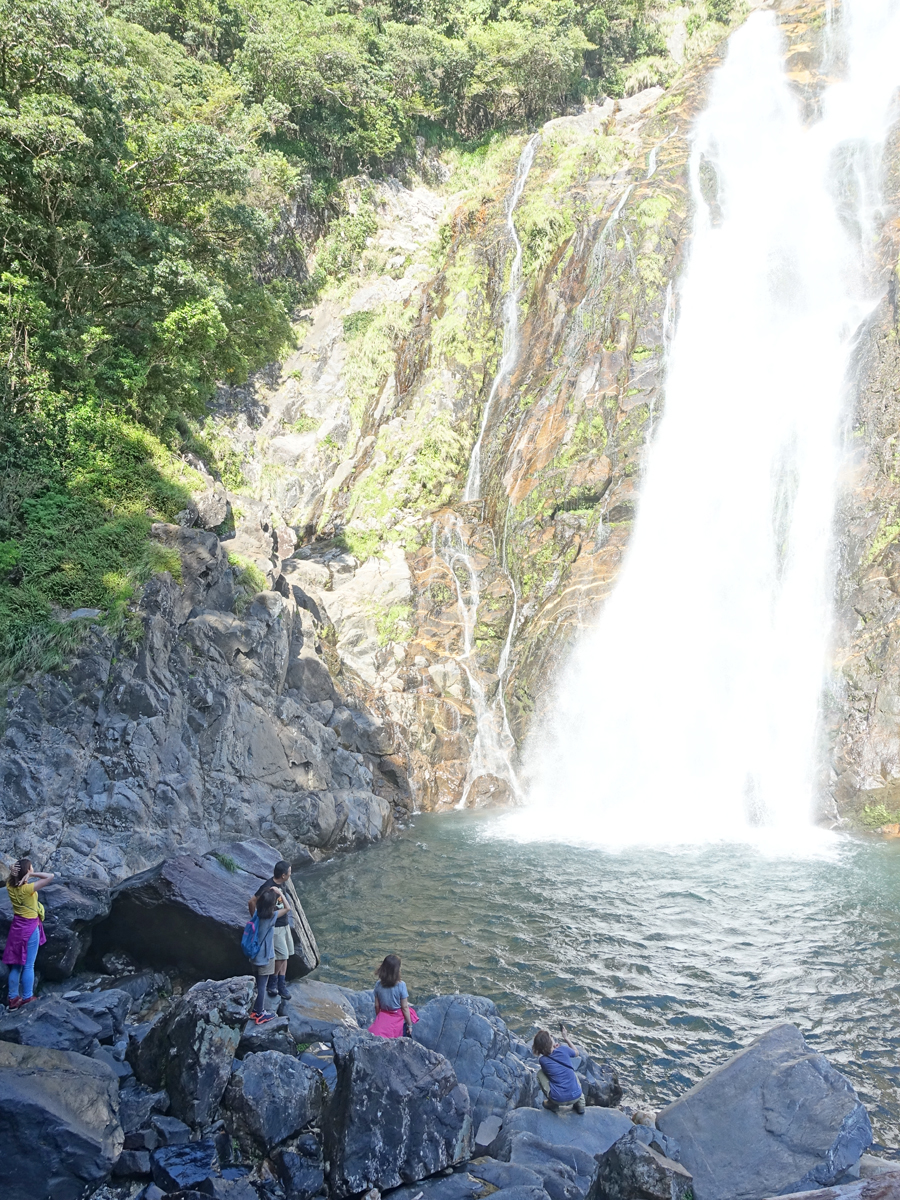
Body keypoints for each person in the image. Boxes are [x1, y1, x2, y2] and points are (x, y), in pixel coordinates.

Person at [3, 858, 54, 1009]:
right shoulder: (28, 888)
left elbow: (12, 876)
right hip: (30, 927)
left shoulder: (9, 885)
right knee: (29, 965)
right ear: (27, 871)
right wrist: (32, 875)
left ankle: (13, 998)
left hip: (17, 927)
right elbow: (50, 876)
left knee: (16, 965)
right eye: (31, 867)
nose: (33, 869)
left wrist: (17, 872)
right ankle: (27, 997)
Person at [248, 860, 294, 1001]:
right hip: (275, 927)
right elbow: (252, 901)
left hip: (284, 924)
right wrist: (257, 919)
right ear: (283, 875)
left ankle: (281, 983)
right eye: (289, 872)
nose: (290, 874)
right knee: (283, 955)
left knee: (286, 955)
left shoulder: (282, 884)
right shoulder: (268, 887)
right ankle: (272, 983)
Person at [532, 1024, 586, 1114]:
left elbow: (552, 1071)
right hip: (576, 1095)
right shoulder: (564, 1049)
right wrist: (566, 1038)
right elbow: (577, 1052)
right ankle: (580, 1103)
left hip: (558, 1099)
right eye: (551, 1037)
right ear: (550, 1042)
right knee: (572, 1073)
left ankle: (552, 1104)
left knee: (540, 1073)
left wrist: (552, 1048)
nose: (552, 1037)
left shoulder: (542, 1060)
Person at [368, 953, 419, 1038]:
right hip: (397, 1016)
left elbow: (377, 1006)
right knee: (404, 1032)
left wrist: (379, 1018)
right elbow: (404, 1007)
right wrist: (410, 1025)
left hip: (384, 1013)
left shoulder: (378, 985)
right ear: (397, 971)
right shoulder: (401, 985)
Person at [249, 887, 280, 1024]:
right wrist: (280, 894)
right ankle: (260, 1013)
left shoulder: (256, 915)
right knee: (262, 985)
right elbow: (288, 908)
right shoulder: (272, 918)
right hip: (266, 958)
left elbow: (251, 902)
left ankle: (255, 1010)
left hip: (254, 955)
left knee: (257, 983)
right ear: (272, 905)